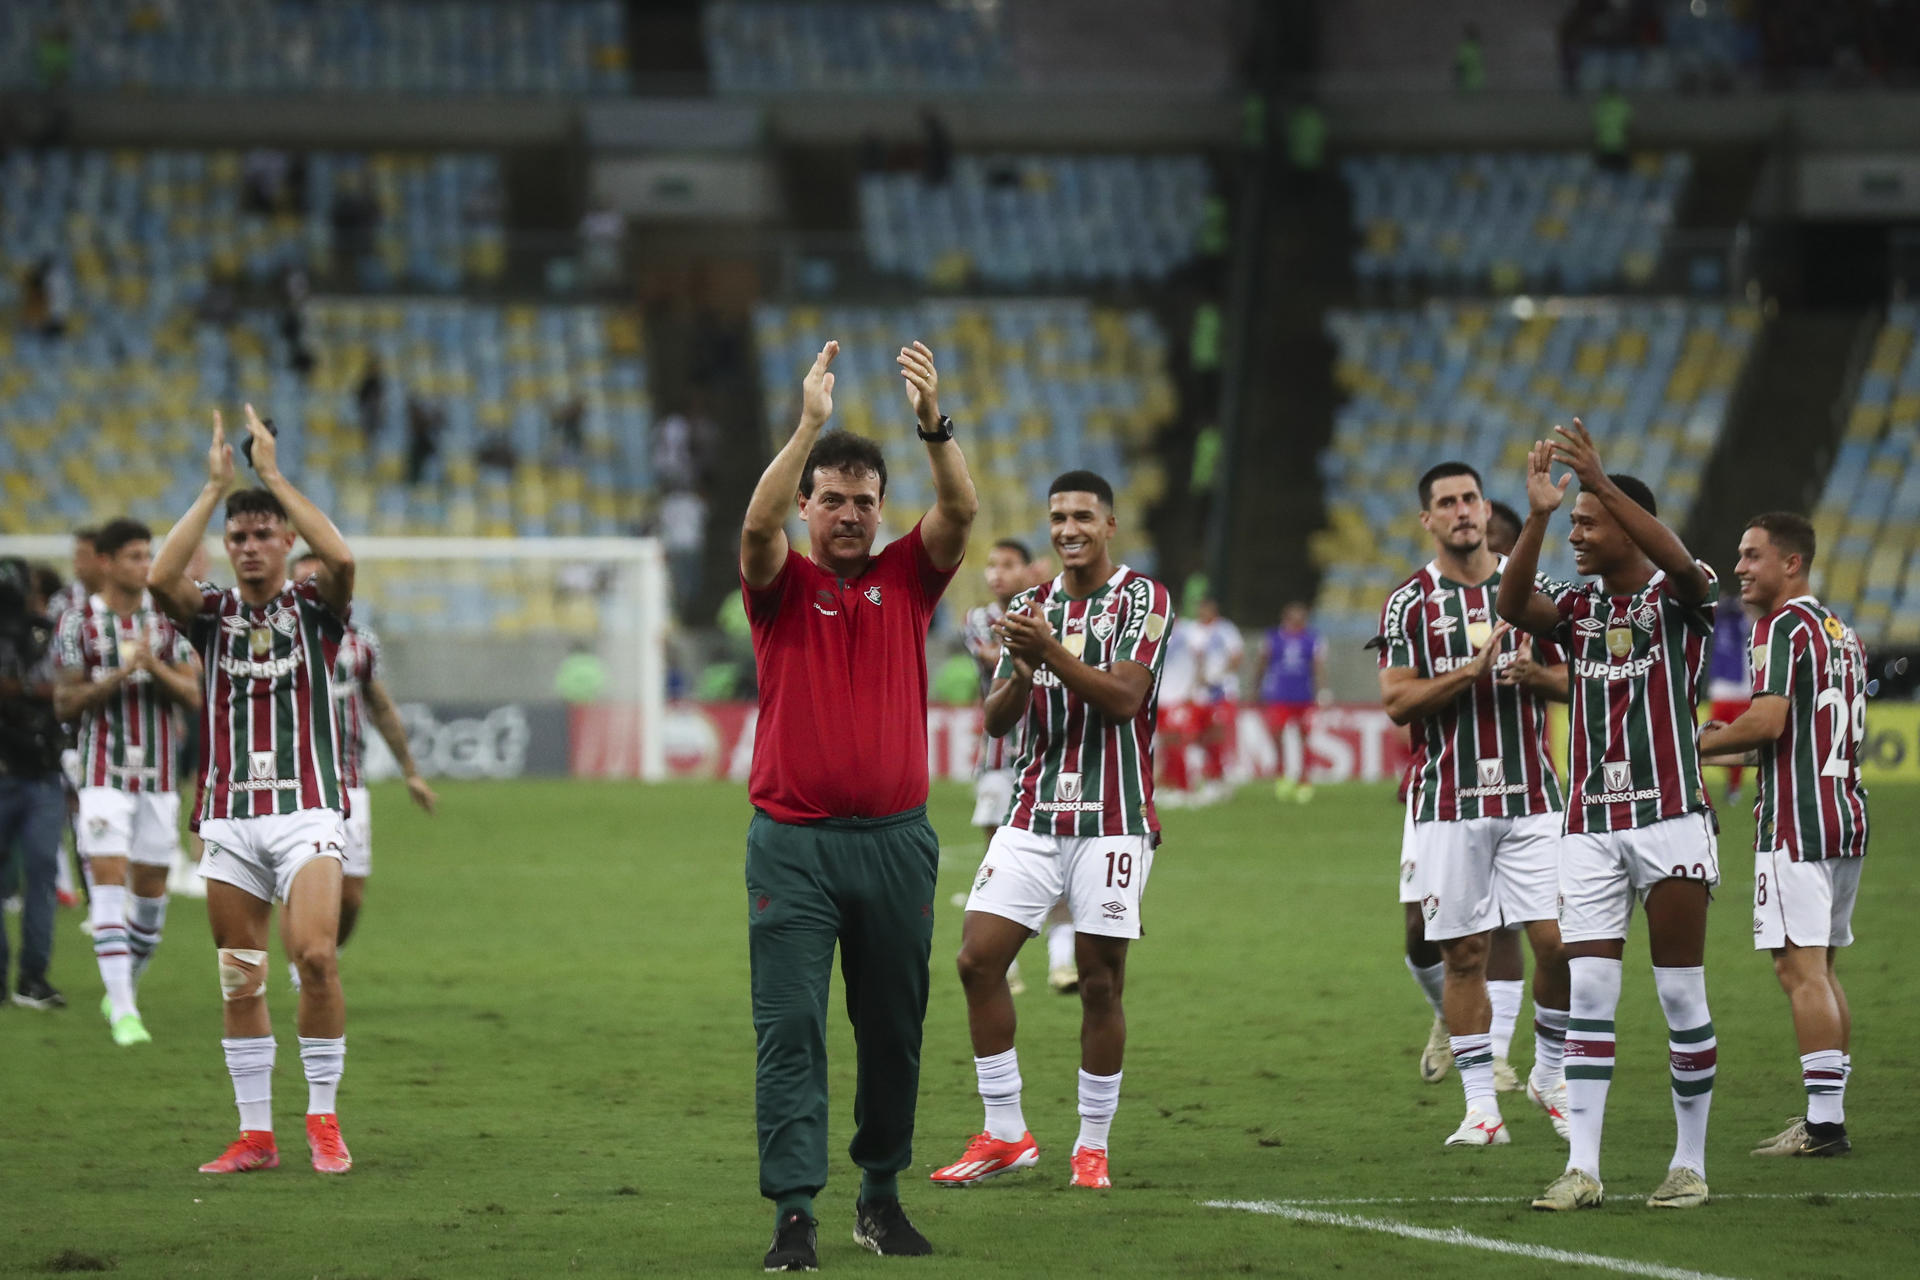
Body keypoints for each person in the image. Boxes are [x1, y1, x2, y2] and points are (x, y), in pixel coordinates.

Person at [740, 340, 976, 1271]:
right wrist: (804, 427)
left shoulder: (907, 579)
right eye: (830, 500)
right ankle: (794, 1212)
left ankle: (880, 1197)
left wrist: (932, 425)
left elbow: (959, 508)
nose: (846, 514)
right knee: (790, 1026)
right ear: (808, 506)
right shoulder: (780, 585)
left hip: (894, 846)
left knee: (892, 1027)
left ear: (882, 513)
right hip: (792, 848)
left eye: (863, 502)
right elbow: (756, 531)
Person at [1496, 420, 1721, 1212]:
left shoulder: (1679, 600)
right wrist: (1539, 514)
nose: (1577, 536)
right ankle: (1583, 1169)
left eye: (1588, 523)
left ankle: (1689, 1163)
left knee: (1680, 994)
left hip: (1670, 817)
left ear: (1627, 523)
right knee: (1590, 993)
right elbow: (1512, 600)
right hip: (1590, 823)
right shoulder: (1578, 606)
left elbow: (1686, 567)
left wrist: (1605, 482)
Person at [931, 470, 1175, 1194]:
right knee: (977, 958)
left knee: (1100, 982)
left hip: (1114, 819)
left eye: (1082, 517)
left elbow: (1127, 698)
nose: (1068, 528)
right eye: (1058, 518)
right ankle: (1006, 1132)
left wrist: (1053, 655)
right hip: (1034, 810)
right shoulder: (1031, 606)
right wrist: (1020, 669)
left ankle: (1091, 1145)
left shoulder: (1144, 598)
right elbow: (999, 719)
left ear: (1109, 526)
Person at [148, 405, 359, 1177]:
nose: (248, 546)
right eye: (238, 537)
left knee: (315, 957)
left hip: (307, 809)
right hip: (231, 817)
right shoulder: (211, 615)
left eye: (263, 534)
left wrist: (271, 476)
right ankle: (256, 1136)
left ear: (284, 542)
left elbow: (341, 557)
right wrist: (214, 490)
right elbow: (159, 577)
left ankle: (324, 1118)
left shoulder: (314, 610)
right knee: (241, 974)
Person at [1376, 462, 1572, 1150]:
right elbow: (1397, 700)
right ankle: (1481, 1110)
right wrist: (1467, 672)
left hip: (1532, 796)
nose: (1461, 512)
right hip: (1448, 802)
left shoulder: (1535, 588)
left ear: (1486, 509)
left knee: (1559, 944)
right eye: (1445, 504)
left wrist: (1537, 674)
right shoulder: (1408, 604)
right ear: (1427, 520)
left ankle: (1550, 1075)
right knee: (1463, 954)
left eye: (1469, 499)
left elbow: (1584, 677)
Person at [1697, 515, 1868, 1159]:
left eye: (1751, 555)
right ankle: (1826, 1115)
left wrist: (1686, 744)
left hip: (1797, 820)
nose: (1739, 567)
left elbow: (1767, 723)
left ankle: (1824, 1127)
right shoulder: (1840, 632)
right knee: (1819, 969)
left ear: (1791, 564)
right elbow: (1794, 733)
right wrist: (1707, 752)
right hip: (1843, 815)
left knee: (1799, 970)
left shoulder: (1783, 627)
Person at [51, 518, 201, 1046]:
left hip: (159, 778)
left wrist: (152, 668)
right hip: (101, 775)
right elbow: (64, 702)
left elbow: (195, 695)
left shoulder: (168, 620)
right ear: (108, 562)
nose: (145, 565)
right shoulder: (78, 624)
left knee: (151, 904)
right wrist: (116, 675)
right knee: (109, 886)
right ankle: (123, 1011)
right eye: (135, 556)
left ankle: (123, 991)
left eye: (148, 555)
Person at [284, 554, 437, 993]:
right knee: (295, 886)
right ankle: (304, 969)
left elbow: (381, 706)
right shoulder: (273, 639)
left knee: (350, 897)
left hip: (348, 781)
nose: (312, 590)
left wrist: (411, 772)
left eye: (320, 581)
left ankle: (323, 953)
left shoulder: (360, 641)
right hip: (291, 784)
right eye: (303, 583)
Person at [962, 539, 1067, 996]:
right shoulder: (980, 620)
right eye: (991, 564)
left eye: (1008, 565)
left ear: (1026, 570)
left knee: (1061, 859)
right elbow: (996, 657)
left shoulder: (1052, 615)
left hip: (1048, 756)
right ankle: (1001, 961)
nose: (996, 573)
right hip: (1000, 759)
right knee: (996, 860)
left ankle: (1062, 961)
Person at [0, 556, 68, 1009]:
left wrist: (17, 691)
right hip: (29, 768)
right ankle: (23, 978)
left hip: (40, 772)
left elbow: (65, 688)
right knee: (39, 876)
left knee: (42, 874)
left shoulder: (48, 632)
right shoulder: (43, 632)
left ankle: (31, 977)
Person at [1482, 498, 1532, 1087]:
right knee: (1427, 929)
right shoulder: (1434, 602)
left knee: (1518, 926)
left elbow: (1582, 680)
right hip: (1447, 790)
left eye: (1499, 541)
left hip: (1523, 787)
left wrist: (1538, 675)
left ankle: (1499, 1054)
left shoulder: (1537, 606)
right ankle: (1453, 1018)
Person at [1258, 601, 1324, 802]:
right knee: (1277, 736)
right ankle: (1281, 776)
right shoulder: (1272, 637)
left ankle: (1304, 779)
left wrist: (1322, 690)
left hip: (1304, 695)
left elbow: (1318, 666)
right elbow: (1263, 662)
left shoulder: (1312, 639)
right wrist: (1258, 686)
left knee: (1304, 738)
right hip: (1279, 694)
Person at [1188, 596, 1243, 804]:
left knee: (1216, 735)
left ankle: (1218, 778)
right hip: (1198, 693)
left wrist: (1220, 676)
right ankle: (1207, 777)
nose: (1203, 613)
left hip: (1221, 691)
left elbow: (1237, 656)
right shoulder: (1192, 630)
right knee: (1199, 736)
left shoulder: (1225, 630)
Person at [1706, 598, 1752, 802]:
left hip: (1742, 694)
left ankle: (1734, 787)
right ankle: (1718, 786)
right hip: (1721, 694)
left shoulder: (1747, 624)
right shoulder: (1718, 624)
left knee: (1739, 745)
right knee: (1711, 741)